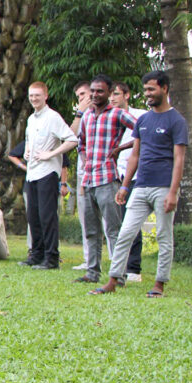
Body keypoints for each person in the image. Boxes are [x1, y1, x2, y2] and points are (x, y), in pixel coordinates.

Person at [90, 70, 187, 298]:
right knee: (125, 233)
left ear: (165, 88)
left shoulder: (176, 121)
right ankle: (113, 280)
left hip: (164, 187)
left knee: (164, 235)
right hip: (140, 186)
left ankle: (159, 284)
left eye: (152, 89)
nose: (148, 94)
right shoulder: (143, 120)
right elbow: (135, 154)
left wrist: (173, 192)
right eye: (145, 90)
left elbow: (180, 159)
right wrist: (124, 186)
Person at [75, 74, 135, 283]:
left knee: (113, 230)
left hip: (108, 180)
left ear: (109, 93)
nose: (95, 94)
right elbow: (80, 143)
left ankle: (119, 275)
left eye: (100, 91)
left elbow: (142, 131)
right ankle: (92, 273)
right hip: (89, 180)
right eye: (92, 90)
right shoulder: (87, 116)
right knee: (91, 231)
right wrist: (84, 160)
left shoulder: (118, 114)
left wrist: (122, 147)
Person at [22, 81, 77, 270]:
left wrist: (52, 154)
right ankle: (36, 254)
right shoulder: (31, 119)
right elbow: (29, 139)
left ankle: (51, 258)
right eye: (31, 95)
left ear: (46, 96)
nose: (34, 99)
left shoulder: (53, 117)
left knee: (47, 216)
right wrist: (27, 151)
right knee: (33, 216)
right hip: (32, 173)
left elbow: (72, 139)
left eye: (37, 95)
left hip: (48, 173)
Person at [109, 81, 145, 283]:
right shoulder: (110, 118)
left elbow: (142, 136)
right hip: (115, 175)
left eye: (116, 94)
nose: (113, 98)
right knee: (117, 222)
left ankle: (133, 268)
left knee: (131, 222)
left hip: (135, 176)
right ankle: (119, 263)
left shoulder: (139, 116)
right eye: (111, 95)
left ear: (127, 95)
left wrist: (120, 148)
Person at [69, 81, 92, 271]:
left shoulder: (109, 114)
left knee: (110, 222)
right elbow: (70, 136)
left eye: (83, 94)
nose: (81, 99)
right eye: (79, 97)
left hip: (105, 173)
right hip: (83, 173)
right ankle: (89, 259)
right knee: (86, 218)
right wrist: (80, 112)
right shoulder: (82, 117)